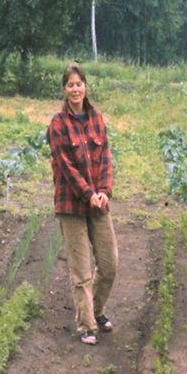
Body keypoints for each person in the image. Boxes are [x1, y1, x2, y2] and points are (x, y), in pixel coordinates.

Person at [47, 62, 118, 345]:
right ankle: (86, 324)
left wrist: (103, 191)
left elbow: (105, 160)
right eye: (70, 85)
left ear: (85, 86)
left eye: (79, 84)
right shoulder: (57, 124)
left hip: (98, 202)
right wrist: (88, 193)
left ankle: (96, 311)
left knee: (109, 264)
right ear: (64, 90)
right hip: (71, 205)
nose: (75, 89)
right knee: (82, 270)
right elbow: (65, 166)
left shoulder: (97, 118)